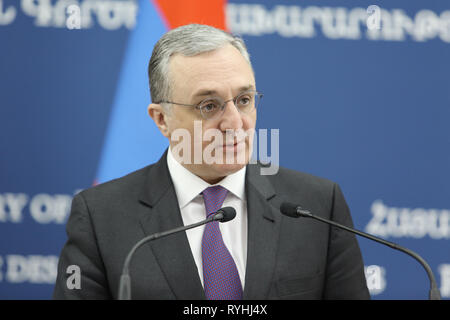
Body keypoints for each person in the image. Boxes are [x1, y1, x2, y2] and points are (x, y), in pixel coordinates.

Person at [53, 24, 370, 300]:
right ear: (162, 119)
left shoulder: (316, 206)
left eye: (244, 100)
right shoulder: (100, 217)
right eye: (209, 105)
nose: (235, 122)